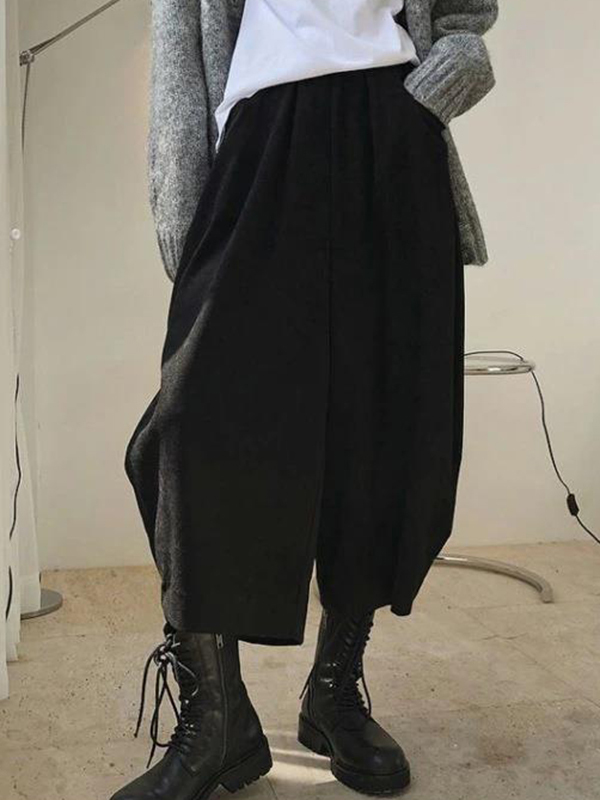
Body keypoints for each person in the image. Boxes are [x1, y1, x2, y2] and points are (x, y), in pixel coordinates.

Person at [112, 1, 499, 798]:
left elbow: (468, 9)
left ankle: (334, 692)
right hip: (263, 138)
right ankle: (219, 721)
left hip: (393, 130)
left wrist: (446, 72)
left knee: (378, 426)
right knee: (189, 428)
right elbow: (180, 42)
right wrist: (182, 200)